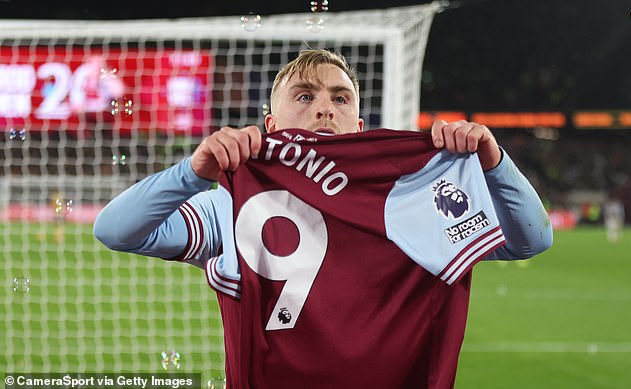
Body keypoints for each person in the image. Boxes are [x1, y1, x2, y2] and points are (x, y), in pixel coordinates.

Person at [94, 49, 553, 388]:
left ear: (358, 125)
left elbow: (531, 239)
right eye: (305, 95)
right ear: (271, 126)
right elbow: (114, 229)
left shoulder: (410, 199)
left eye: (340, 97)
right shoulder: (232, 203)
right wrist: (192, 172)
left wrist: (494, 163)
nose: (324, 108)